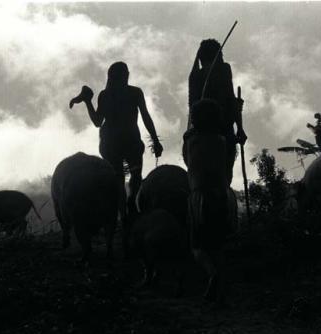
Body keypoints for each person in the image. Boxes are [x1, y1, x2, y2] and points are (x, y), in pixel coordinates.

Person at [70, 61, 163, 254]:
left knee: (119, 181)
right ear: (125, 75)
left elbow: (97, 122)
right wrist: (155, 139)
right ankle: (129, 213)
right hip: (128, 142)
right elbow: (145, 117)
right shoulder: (134, 93)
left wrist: (88, 101)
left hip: (112, 143)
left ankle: (125, 215)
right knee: (134, 179)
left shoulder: (107, 95)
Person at [183, 99, 237, 303]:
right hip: (222, 194)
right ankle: (221, 282)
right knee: (218, 244)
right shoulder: (221, 140)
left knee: (198, 246)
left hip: (201, 196)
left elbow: (188, 161)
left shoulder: (191, 141)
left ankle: (212, 274)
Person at [187, 39, 247, 185]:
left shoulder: (194, 76)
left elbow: (192, 107)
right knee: (225, 178)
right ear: (218, 55)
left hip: (198, 131)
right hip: (223, 130)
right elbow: (231, 100)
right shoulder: (224, 70)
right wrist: (240, 128)